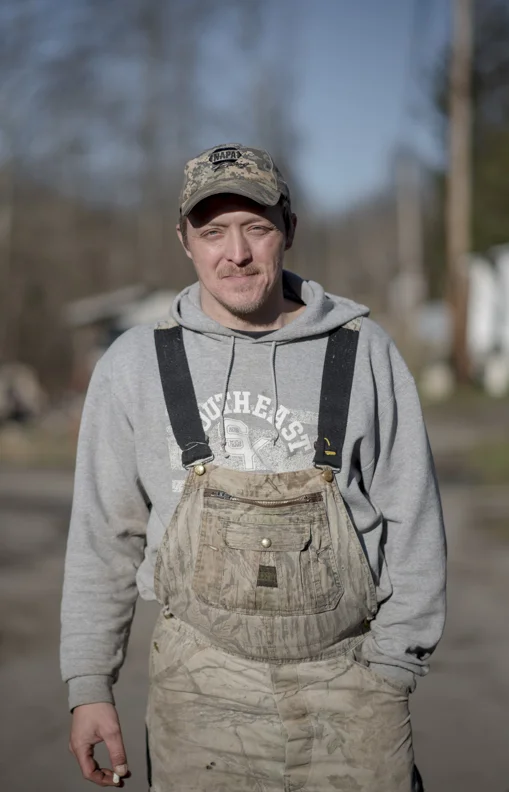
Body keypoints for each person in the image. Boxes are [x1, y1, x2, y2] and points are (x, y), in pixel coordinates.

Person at [61, 143, 446, 791]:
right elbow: (104, 537)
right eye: (211, 231)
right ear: (184, 240)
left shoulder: (363, 352)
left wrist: (390, 669)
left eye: (255, 227)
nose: (234, 253)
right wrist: (89, 683)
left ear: (288, 230)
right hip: (197, 690)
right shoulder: (135, 365)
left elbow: (413, 520)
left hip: (348, 680)